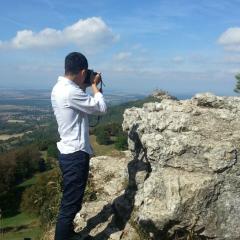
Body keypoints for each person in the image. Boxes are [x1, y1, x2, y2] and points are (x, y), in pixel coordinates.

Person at [51, 52, 107, 240]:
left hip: (69, 152)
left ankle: (68, 234)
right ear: (83, 71)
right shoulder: (70, 92)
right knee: (70, 206)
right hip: (75, 155)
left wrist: (83, 84)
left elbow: (79, 103)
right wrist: (94, 86)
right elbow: (101, 108)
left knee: (72, 202)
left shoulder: (60, 88)